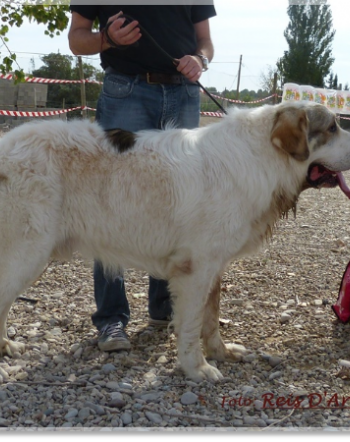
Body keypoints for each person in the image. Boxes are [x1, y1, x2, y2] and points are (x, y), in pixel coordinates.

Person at [68, 4, 216, 352]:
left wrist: (201, 60)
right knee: (110, 205)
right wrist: (106, 39)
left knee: (176, 206)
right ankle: (111, 319)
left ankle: (165, 311)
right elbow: (76, 40)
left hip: (184, 95)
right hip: (126, 92)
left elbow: (206, 41)